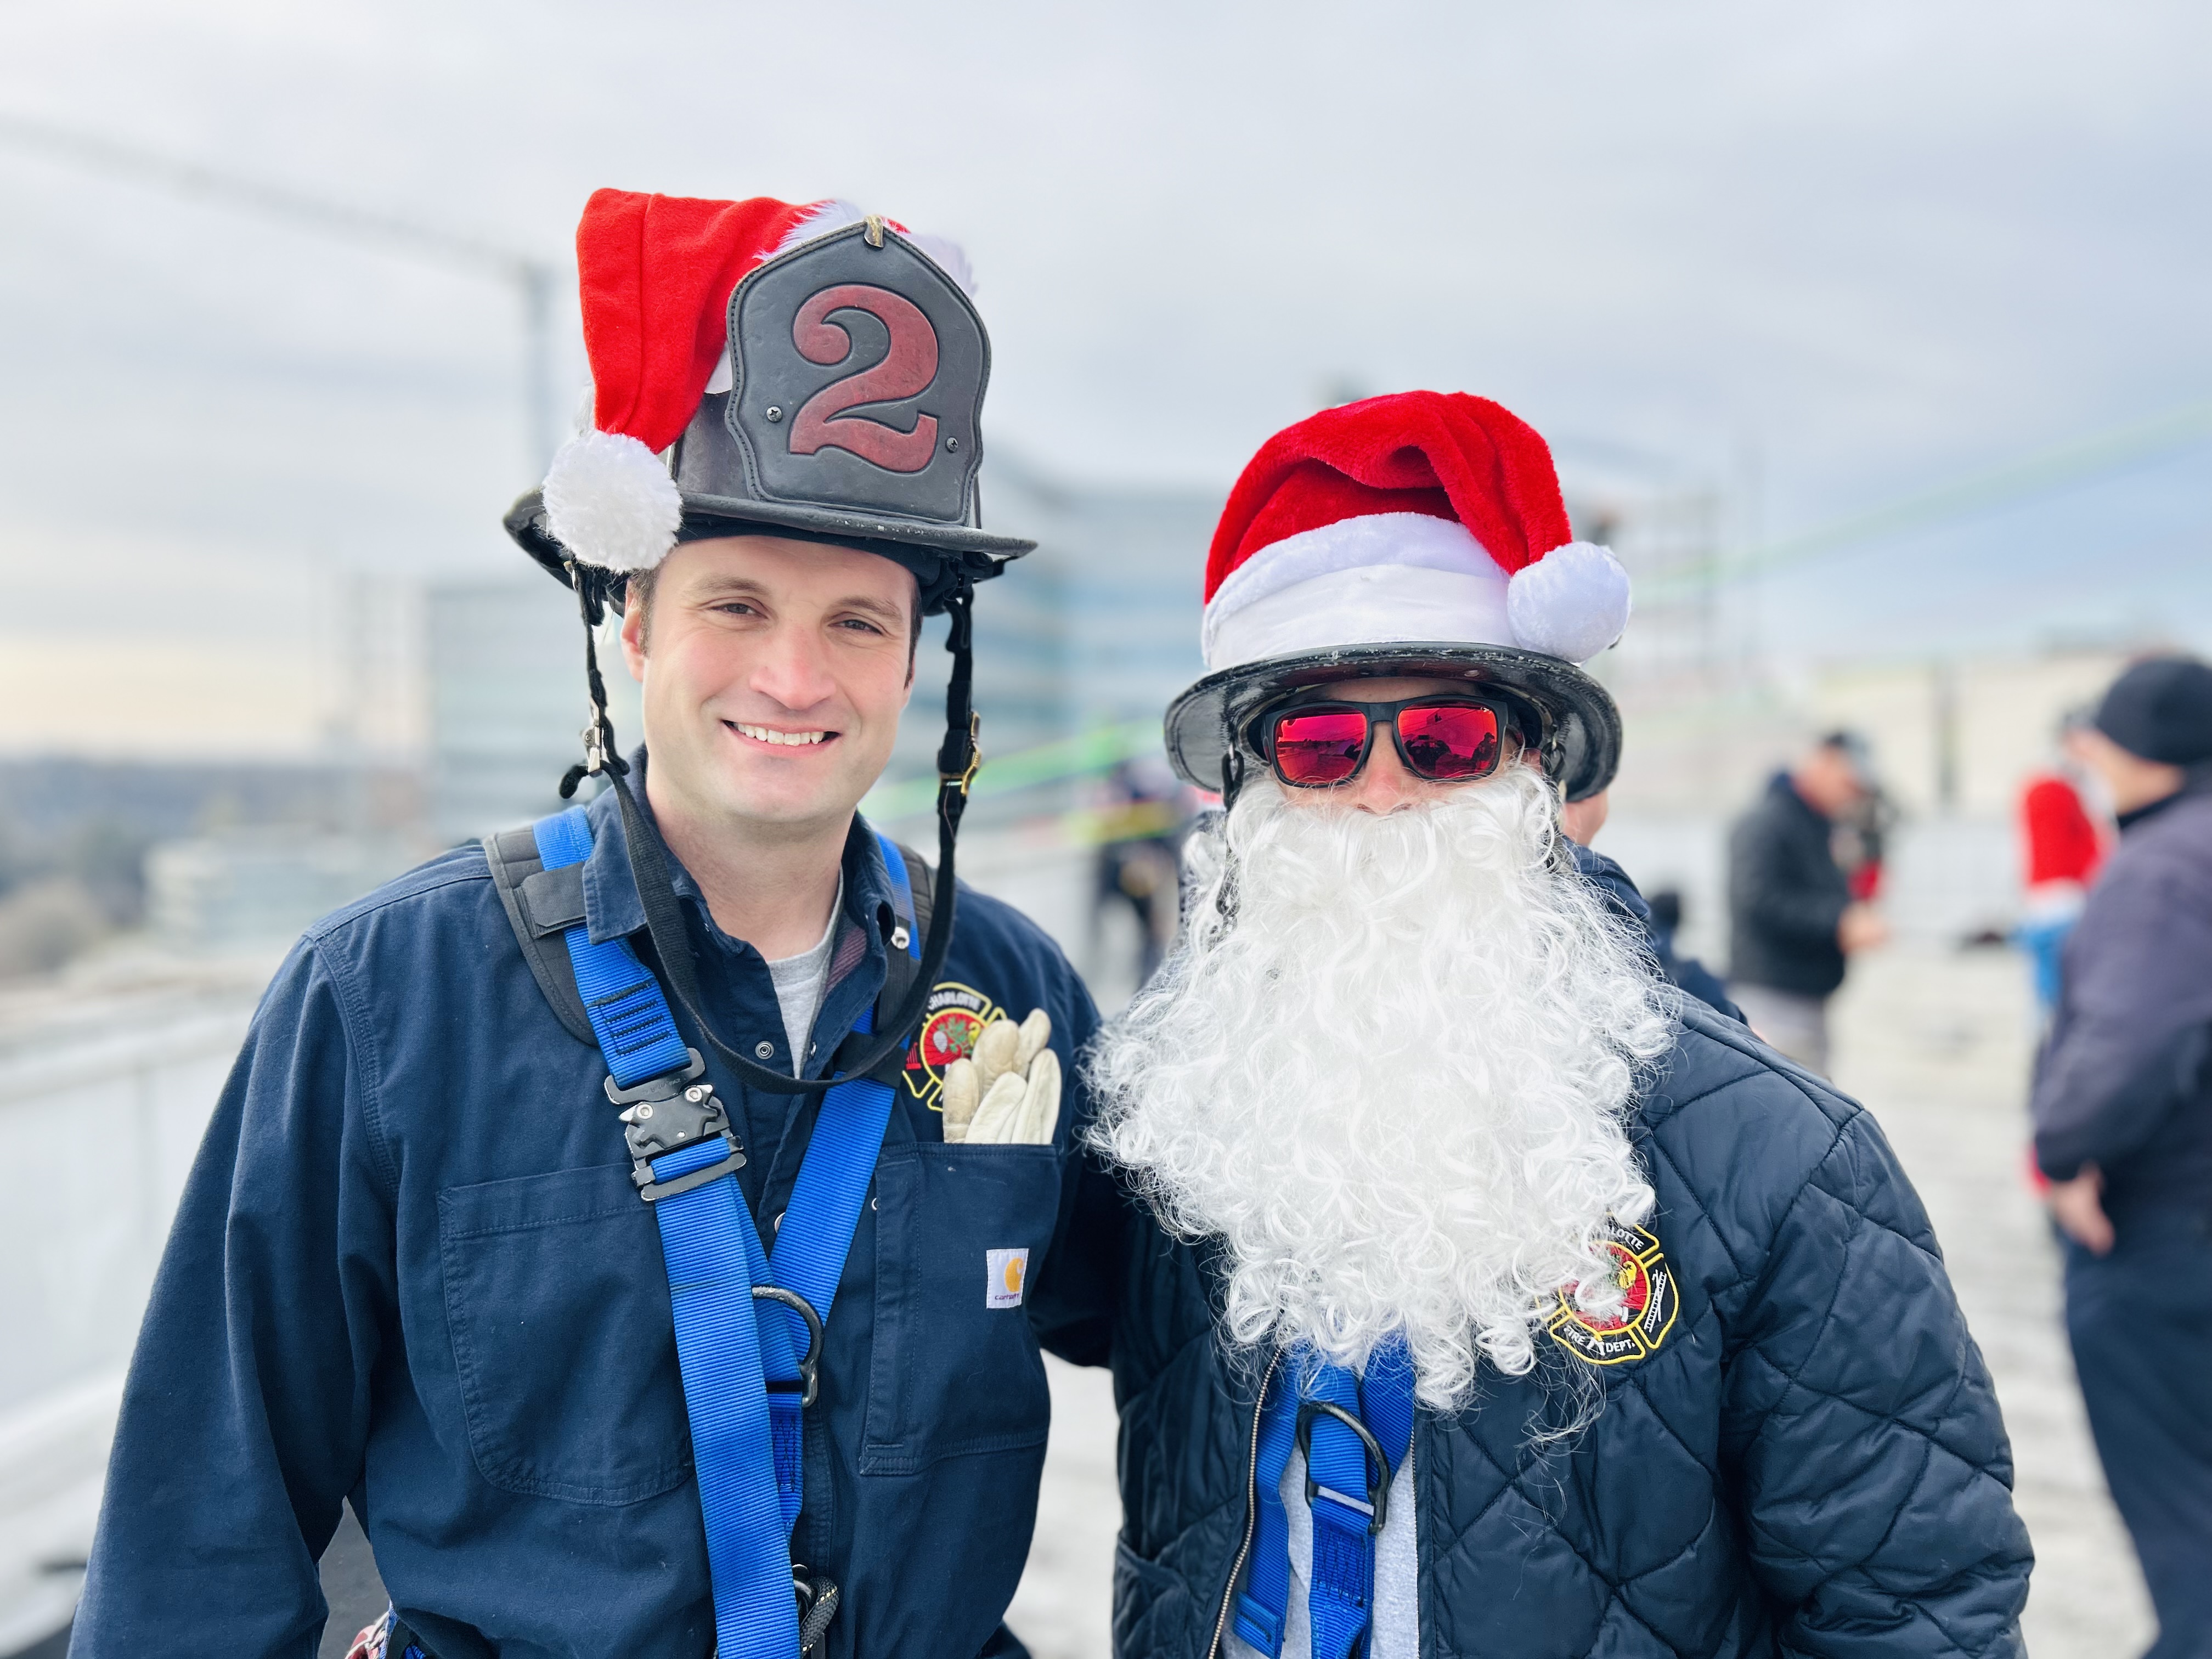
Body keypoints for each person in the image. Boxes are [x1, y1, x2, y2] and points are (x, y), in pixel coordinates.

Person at [75, 190, 1101, 1659]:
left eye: (857, 622)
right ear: (631, 619)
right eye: (735, 604)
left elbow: (1216, 1326)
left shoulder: (1012, 993)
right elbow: (198, 1534)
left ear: (921, 659)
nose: (796, 677)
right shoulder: (384, 1003)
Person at [1084, 392, 2030, 1659]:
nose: (1380, 792)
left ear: (1536, 770)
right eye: (1314, 744)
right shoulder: (1176, 1128)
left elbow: (1918, 1618)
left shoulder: (1789, 1162)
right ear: (1249, 786)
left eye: (1444, 737)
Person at [2031, 654, 2212, 1659]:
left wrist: (2064, 1146)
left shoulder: (2163, 866)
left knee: (2189, 1530)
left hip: (2166, 1232)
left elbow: (2132, 1039)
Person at [1724, 732, 1890, 1075]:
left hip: (1807, 1001)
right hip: (1773, 1002)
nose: (1852, 795)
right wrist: (1840, 922)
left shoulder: (1822, 826)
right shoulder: (1766, 823)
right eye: (1849, 783)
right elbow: (1760, 900)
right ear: (1825, 761)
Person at [2015, 712, 2108, 1020]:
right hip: (2062, 904)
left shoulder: (2066, 786)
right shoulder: (2054, 788)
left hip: (2059, 902)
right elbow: (2059, 857)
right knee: (2057, 1002)